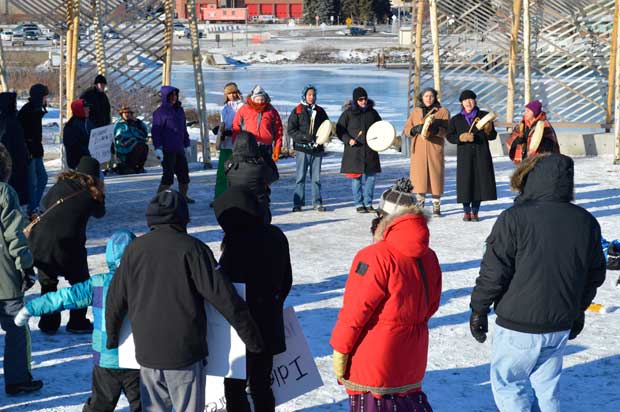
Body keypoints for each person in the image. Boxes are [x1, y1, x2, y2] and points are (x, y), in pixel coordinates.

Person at [469, 153, 606, 412]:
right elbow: (594, 275)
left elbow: (494, 272)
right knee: (547, 387)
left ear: (528, 179)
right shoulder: (585, 220)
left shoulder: (514, 218)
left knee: (510, 385)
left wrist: (479, 309)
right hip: (559, 323)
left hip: (519, 324)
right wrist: (577, 309)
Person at [105, 189, 264, 412]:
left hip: (147, 352)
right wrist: (253, 339)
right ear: (183, 217)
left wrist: (112, 338)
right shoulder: (193, 249)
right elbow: (225, 297)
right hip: (184, 353)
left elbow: (114, 299)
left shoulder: (134, 250)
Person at [330, 179, 441, 411]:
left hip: (374, 359)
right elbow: (431, 305)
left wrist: (340, 349)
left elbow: (355, 311)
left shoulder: (374, 256)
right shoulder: (429, 256)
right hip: (413, 354)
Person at [14, 230, 141, 411]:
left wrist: (31, 308)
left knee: (99, 405)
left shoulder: (98, 284)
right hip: (136, 358)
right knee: (144, 404)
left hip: (106, 359)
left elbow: (64, 297)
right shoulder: (147, 283)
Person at [213, 187, 292, 412]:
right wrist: (274, 302)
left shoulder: (235, 243)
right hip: (268, 321)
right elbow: (286, 280)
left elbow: (226, 290)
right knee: (262, 384)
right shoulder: (275, 235)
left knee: (235, 387)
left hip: (241, 327)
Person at [29, 156, 106, 334]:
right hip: (68, 245)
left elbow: (43, 205)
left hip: (41, 242)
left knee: (48, 283)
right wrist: (101, 192)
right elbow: (100, 213)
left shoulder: (60, 184)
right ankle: (77, 322)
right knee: (81, 283)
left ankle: (48, 323)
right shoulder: (92, 194)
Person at [0, 144, 43, 396]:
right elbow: (15, 236)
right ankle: (17, 379)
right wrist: (26, 266)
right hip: (5, 278)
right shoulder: (4, 193)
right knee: (16, 328)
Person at [447, 90, 497, 221]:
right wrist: (460, 137)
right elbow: (449, 136)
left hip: (481, 153)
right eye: (465, 100)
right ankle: (466, 211)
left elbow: (493, 136)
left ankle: (475, 211)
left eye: (471, 99)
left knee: (479, 182)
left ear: (475, 101)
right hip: (465, 155)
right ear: (462, 103)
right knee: (465, 182)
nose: (468, 103)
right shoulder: (456, 119)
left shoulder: (484, 116)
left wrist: (489, 130)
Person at [403, 87, 450, 216]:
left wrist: (436, 130)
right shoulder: (416, 111)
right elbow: (406, 129)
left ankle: (436, 204)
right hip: (418, 149)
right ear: (421, 98)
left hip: (434, 148)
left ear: (435, 97)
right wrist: (414, 130)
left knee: (435, 176)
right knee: (419, 177)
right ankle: (420, 203)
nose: (429, 98)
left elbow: (447, 131)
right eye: (426, 96)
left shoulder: (443, 111)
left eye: (431, 96)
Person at [336, 87, 382, 213]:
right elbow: (339, 130)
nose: (363, 101)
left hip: (370, 150)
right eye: (360, 99)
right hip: (354, 151)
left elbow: (381, 128)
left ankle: (368, 203)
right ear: (355, 100)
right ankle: (359, 204)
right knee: (356, 179)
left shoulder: (373, 113)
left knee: (371, 178)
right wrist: (348, 140)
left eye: (365, 99)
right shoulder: (348, 113)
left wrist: (381, 141)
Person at [288, 84, 330, 212]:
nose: (312, 97)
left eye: (314, 95)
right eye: (309, 95)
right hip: (302, 149)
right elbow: (291, 130)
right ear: (304, 96)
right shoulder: (297, 111)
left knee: (316, 178)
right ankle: (298, 203)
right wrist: (305, 137)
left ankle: (317, 202)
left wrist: (324, 138)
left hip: (317, 150)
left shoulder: (320, 111)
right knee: (300, 178)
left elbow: (326, 127)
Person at [152, 86, 194, 203]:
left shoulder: (179, 110)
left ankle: (183, 197)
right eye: (171, 95)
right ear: (166, 97)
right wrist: (157, 148)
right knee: (168, 176)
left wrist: (187, 143)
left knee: (184, 175)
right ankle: (158, 200)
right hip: (167, 149)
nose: (174, 97)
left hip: (179, 148)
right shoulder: (159, 113)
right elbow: (156, 131)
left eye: (175, 95)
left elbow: (183, 129)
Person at [225, 131, 279, 223]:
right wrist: (265, 155)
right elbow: (275, 175)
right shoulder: (258, 167)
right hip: (258, 212)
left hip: (237, 211)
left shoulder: (229, 167)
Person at [18, 84, 49, 217]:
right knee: (32, 182)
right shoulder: (28, 111)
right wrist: (28, 149)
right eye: (45, 97)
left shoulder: (36, 109)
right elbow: (23, 134)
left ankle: (33, 206)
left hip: (36, 150)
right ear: (39, 97)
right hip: (29, 152)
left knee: (42, 178)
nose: (46, 99)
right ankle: (32, 209)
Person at [232, 85, 283, 163]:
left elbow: (278, 130)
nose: (260, 102)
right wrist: (236, 144)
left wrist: (277, 147)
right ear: (253, 99)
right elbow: (236, 127)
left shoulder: (271, 111)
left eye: (262, 99)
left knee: (266, 168)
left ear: (265, 99)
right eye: (258, 99)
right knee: (250, 169)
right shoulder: (244, 109)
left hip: (266, 146)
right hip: (248, 146)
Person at [214, 82, 244, 203]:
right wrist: (219, 130)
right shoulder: (225, 108)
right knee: (222, 172)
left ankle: (236, 198)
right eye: (229, 93)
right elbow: (223, 124)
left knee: (236, 172)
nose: (232, 95)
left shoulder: (242, 107)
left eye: (233, 92)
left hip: (237, 144)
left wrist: (232, 132)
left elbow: (244, 125)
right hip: (225, 144)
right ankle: (219, 197)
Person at [0, 92, 28, 206]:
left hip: (13, 163)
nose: (16, 105)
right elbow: (11, 145)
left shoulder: (11, 119)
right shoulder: (8, 121)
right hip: (12, 164)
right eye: (14, 103)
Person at [113, 106, 149, 174]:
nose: (127, 115)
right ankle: (128, 166)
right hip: (123, 148)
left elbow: (144, 134)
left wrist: (138, 123)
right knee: (138, 146)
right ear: (122, 114)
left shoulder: (136, 123)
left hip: (135, 146)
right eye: (125, 113)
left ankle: (139, 166)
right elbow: (115, 136)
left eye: (129, 113)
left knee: (143, 146)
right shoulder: (118, 124)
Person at [63, 99, 94, 169]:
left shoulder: (88, 122)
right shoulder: (71, 126)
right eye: (86, 108)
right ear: (79, 110)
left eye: (88, 108)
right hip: (78, 164)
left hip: (89, 161)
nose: (89, 110)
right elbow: (72, 147)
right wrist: (87, 150)